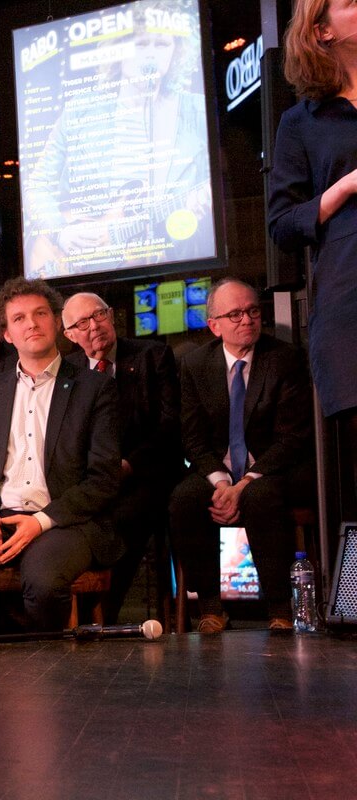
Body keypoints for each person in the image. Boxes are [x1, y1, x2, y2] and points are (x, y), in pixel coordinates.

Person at [0, 279, 123, 634]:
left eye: (40, 314)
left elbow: (103, 479)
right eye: (19, 318)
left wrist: (40, 522)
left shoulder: (95, 386)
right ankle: (12, 639)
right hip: (0, 515)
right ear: (8, 334)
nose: (31, 323)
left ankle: (43, 670)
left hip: (63, 519)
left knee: (43, 585)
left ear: (57, 322)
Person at [22, 5, 213, 277]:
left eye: (162, 44)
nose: (151, 53)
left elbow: (212, 185)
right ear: (118, 50)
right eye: (141, 43)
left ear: (176, 51)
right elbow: (37, 186)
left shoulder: (196, 110)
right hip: (84, 268)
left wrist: (201, 202)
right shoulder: (80, 111)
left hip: (168, 259)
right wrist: (59, 233)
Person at [168, 279, 314, 632]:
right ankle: (210, 607)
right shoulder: (194, 365)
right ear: (214, 325)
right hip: (219, 469)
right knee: (184, 500)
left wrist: (245, 483)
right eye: (235, 314)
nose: (247, 320)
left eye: (252, 311)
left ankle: (279, 608)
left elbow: (292, 437)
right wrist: (221, 483)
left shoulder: (283, 359)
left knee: (261, 497)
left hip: (270, 469)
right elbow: (192, 438)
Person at [269, 0, 357, 516]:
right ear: (321, 31)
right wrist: (345, 186)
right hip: (350, 306)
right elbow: (282, 224)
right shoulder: (302, 123)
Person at [62, 292, 181, 623]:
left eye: (99, 315)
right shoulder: (67, 370)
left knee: (121, 516)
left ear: (112, 315)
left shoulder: (152, 356)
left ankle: (100, 616)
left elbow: (169, 428)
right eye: (81, 323)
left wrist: (127, 465)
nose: (94, 327)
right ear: (69, 335)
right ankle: (64, 613)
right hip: (92, 479)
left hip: (144, 474)